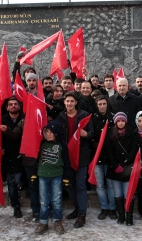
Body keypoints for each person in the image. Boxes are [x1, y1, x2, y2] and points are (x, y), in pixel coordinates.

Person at [57, 91, 94, 228]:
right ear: (64, 102)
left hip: (81, 156)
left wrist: (86, 134)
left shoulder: (84, 115)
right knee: (70, 185)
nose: (69, 103)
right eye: (67, 101)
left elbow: (92, 134)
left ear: (76, 102)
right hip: (66, 155)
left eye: (72, 101)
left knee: (80, 185)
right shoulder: (61, 116)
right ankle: (77, 208)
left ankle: (82, 214)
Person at [34, 120, 68, 235]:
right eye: (46, 131)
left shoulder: (62, 145)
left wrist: (66, 177)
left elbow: (67, 161)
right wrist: (34, 173)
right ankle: (43, 222)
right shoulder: (41, 143)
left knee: (57, 200)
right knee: (44, 201)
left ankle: (57, 221)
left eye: (51, 132)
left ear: (57, 133)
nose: (48, 134)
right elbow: (35, 158)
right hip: (43, 176)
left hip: (57, 176)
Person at [105, 112, 138, 226]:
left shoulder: (131, 133)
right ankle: (121, 216)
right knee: (118, 194)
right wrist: (115, 165)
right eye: (118, 121)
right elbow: (108, 151)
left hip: (127, 168)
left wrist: (124, 163)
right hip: (115, 169)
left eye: (122, 121)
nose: (120, 123)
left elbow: (134, 150)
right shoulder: (111, 133)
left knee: (128, 193)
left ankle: (129, 217)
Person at [91, 95, 117, 220]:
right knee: (100, 185)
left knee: (111, 184)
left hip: (110, 156)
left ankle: (112, 208)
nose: (102, 106)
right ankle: (104, 208)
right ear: (97, 105)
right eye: (100, 104)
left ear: (107, 104)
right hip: (97, 156)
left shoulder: (113, 118)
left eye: (104, 104)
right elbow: (91, 136)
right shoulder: (93, 118)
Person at [0, 97, 24, 219]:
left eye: (15, 104)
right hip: (8, 156)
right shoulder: (1, 119)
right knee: (11, 183)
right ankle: (15, 205)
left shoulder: (24, 118)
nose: (13, 106)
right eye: (11, 104)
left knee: (20, 180)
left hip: (23, 155)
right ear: (7, 107)